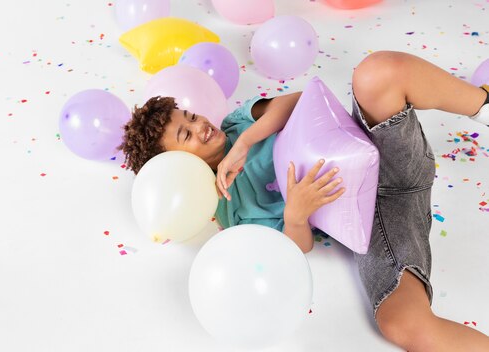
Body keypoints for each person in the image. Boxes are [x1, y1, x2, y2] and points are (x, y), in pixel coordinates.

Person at [118, 51, 489, 351]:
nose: (201, 126)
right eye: (188, 133)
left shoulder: (235, 124)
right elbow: (295, 249)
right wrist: (297, 215)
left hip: (386, 155)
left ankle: (482, 104)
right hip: (376, 222)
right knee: (401, 323)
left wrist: (246, 142)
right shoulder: (232, 212)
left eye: (192, 115)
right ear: (178, 165)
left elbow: (297, 101)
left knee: (377, 72)